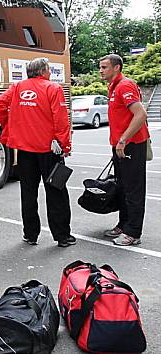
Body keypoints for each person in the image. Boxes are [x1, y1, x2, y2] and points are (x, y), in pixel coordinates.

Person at [0, 57, 75, 248]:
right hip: (49, 149)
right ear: (43, 71)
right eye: (49, 69)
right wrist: (64, 145)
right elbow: (61, 118)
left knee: (28, 192)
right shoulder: (53, 88)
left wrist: (10, 127)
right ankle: (62, 236)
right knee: (56, 191)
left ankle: (30, 234)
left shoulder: (16, 87)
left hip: (24, 150)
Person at [99, 54, 149, 246]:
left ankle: (133, 232)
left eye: (104, 67)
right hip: (120, 145)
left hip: (131, 145)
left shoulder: (125, 85)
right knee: (122, 187)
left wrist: (123, 140)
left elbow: (140, 114)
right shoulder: (113, 86)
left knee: (133, 189)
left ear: (116, 67)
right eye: (100, 67)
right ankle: (124, 224)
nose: (101, 71)